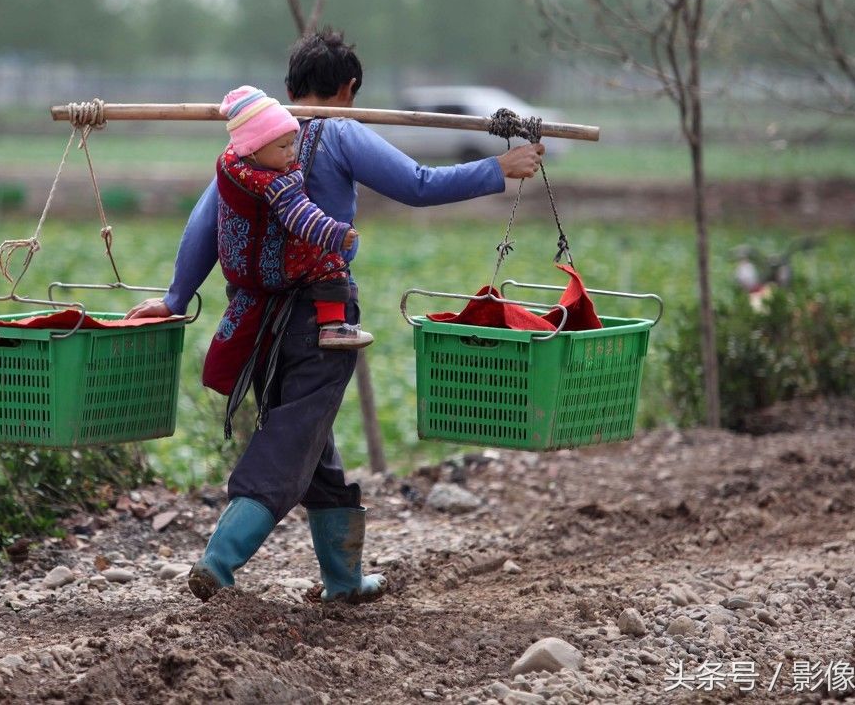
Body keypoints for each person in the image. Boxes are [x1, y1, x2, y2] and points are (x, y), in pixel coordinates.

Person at [126, 29, 545, 604]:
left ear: (291, 87)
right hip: (322, 318)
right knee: (295, 434)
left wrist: (174, 299)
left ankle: (343, 581)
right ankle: (219, 559)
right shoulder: (341, 132)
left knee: (312, 440)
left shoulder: (254, 145)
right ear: (349, 88)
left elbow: (206, 222)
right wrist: (498, 168)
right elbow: (418, 186)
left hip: (258, 321)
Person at [216, 85, 373, 351]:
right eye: (283, 145)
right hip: (274, 270)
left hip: (237, 269)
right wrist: (335, 234)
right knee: (330, 262)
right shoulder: (278, 183)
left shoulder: (230, 164)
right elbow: (302, 217)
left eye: (293, 143)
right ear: (254, 148)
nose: (292, 152)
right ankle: (333, 326)